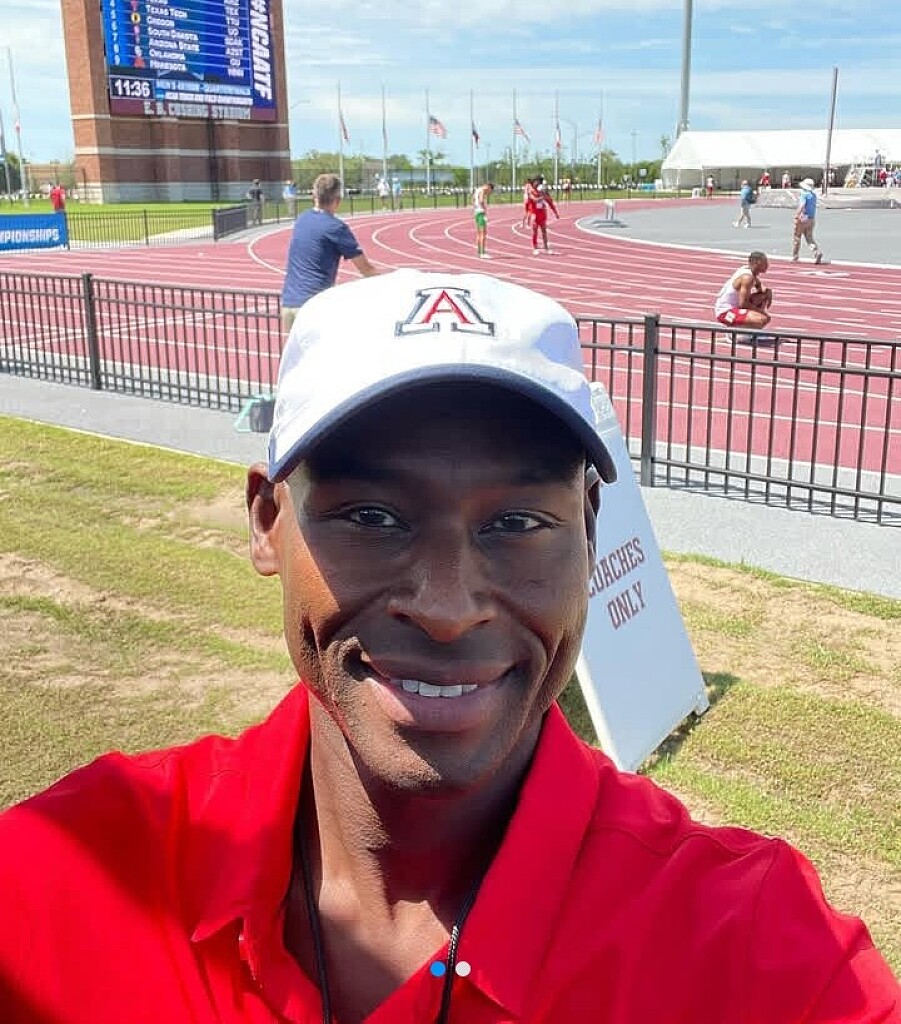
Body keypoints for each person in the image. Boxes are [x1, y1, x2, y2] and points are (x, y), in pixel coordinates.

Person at [1, 269, 898, 1023]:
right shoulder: (65, 874)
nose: (445, 607)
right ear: (267, 520)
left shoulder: (761, 957)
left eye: (517, 523)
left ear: (589, 531)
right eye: (371, 516)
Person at [280, 172, 378, 333]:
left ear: (314, 196)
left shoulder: (302, 219)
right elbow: (365, 269)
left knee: (292, 350)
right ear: (337, 201)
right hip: (313, 305)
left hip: (289, 303)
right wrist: (392, 281)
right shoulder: (336, 227)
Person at [714, 250, 773, 335]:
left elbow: (759, 286)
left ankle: (743, 330)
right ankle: (736, 334)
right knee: (762, 319)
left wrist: (767, 293)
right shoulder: (747, 277)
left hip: (735, 308)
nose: (767, 265)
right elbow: (743, 304)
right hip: (725, 313)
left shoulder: (748, 271)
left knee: (762, 296)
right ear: (757, 262)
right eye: (765, 262)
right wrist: (762, 312)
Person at [793, 177, 825, 264]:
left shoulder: (804, 194)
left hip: (803, 217)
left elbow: (802, 205)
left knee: (797, 236)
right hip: (811, 218)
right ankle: (816, 252)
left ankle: (795, 255)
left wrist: (797, 214)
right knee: (809, 238)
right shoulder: (813, 195)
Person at [525, 175, 559, 254]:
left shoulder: (541, 192)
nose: (537, 184)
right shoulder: (531, 191)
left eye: (539, 183)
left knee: (544, 231)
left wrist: (555, 212)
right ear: (533, 182)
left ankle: (546, 248)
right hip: (534, 214)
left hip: (542, 214)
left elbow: (550, 202)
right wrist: (542, 197)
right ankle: (535, 248)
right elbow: (534, 199)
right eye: (536, 182)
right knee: (535, 232)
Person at [472, 180, 494, 258]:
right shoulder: (482, 191)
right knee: (483, 234)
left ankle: (479, 252)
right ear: (488, 187)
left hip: (476, 212)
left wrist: (475, 207)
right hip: (481, 213)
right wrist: (484, 209)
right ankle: (482, 253)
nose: (488, 193)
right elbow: (481, 200)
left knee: (479, 234)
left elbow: (473, 199)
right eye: (490, 191)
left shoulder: (477, 190)